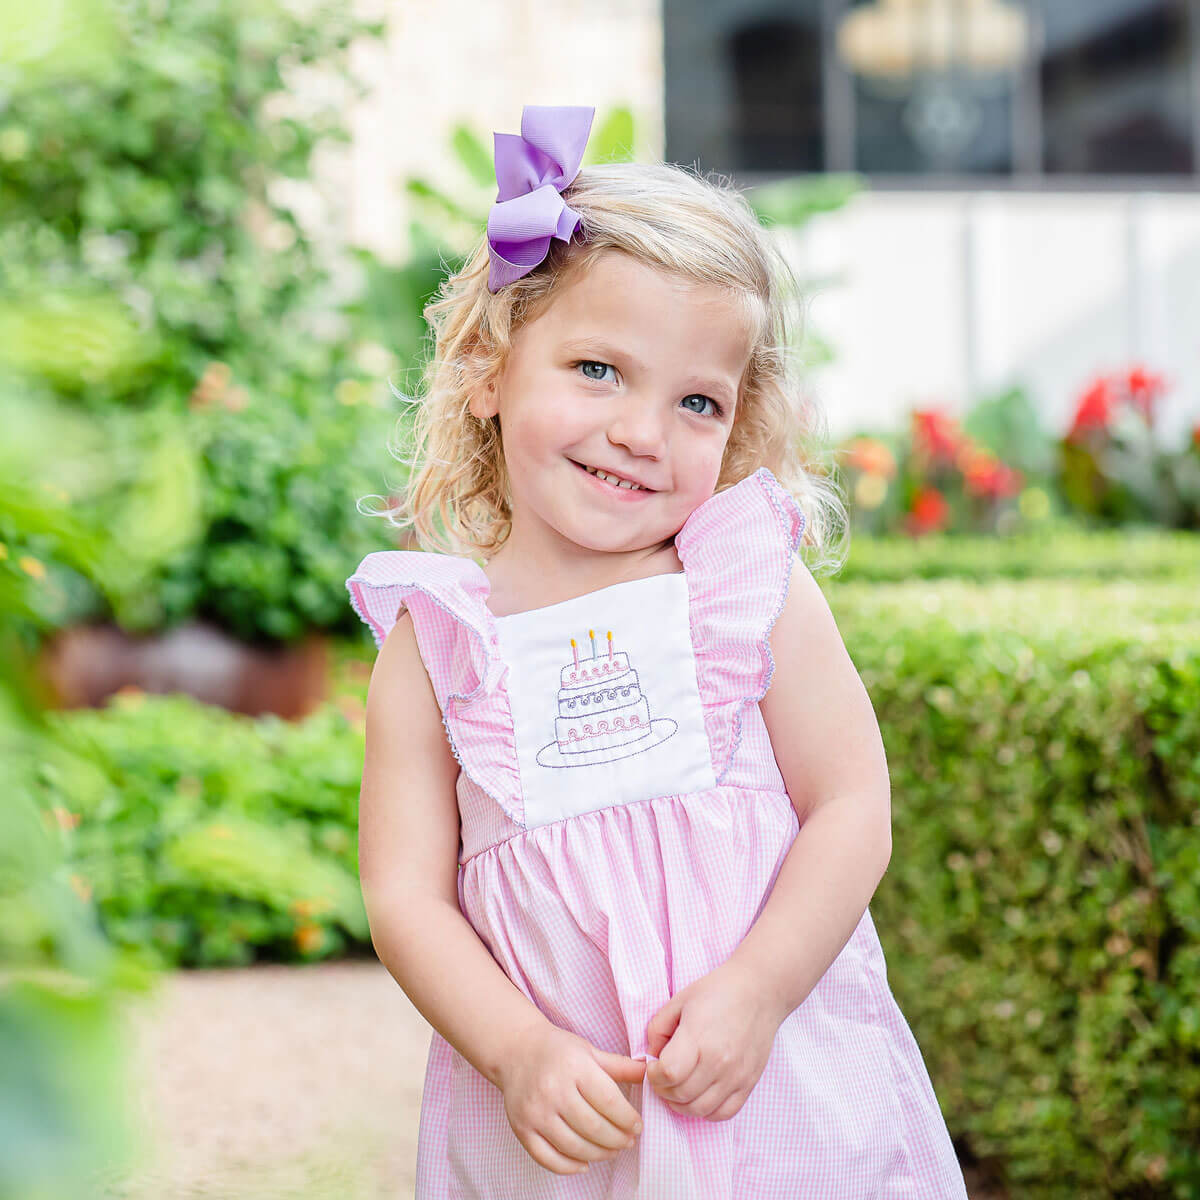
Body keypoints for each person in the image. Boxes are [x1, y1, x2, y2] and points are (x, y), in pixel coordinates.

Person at [346, 105, 968, 1200]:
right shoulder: (437, 640)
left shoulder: (743, 588)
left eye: (695, 401)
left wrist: (762, 991)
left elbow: (852, 805)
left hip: (774, 1086)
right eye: (597, 369)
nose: (643, 429)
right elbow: (406, 898)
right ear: (491, 373)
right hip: (569, 1120)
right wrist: (516, 1050)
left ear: (739, 422)